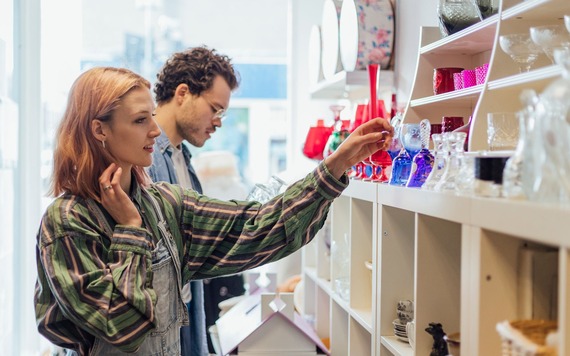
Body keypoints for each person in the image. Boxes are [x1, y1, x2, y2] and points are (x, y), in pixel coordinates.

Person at [33, 66, 393, 356]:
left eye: (152, 118)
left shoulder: (164, 204)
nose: (156, 130)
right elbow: (121, 324)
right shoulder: (67, 222)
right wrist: (130, 229)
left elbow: (257, 226)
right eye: (140, 120)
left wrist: (336, 164)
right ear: (100, 129)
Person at [146, 46, 244, 355]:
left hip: (185, 316)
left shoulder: (182, 159)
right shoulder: (145, 160)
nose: (218, 122)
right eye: (215, 109)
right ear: (183, 93)